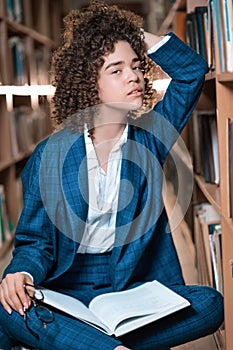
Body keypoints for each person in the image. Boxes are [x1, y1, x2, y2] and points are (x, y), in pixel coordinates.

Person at [0, 1, 223, 349]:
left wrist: (131, 35)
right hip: (68, 284)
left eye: (136, 66)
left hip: (133, 286)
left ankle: (87, 343)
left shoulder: (151, 137)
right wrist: (22, 273)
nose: (134, 76)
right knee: (9, 309)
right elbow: (35, 242)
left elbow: (192, 72)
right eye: (116, 70)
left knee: (211, 304)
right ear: (91, 83)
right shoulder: (51, 154)